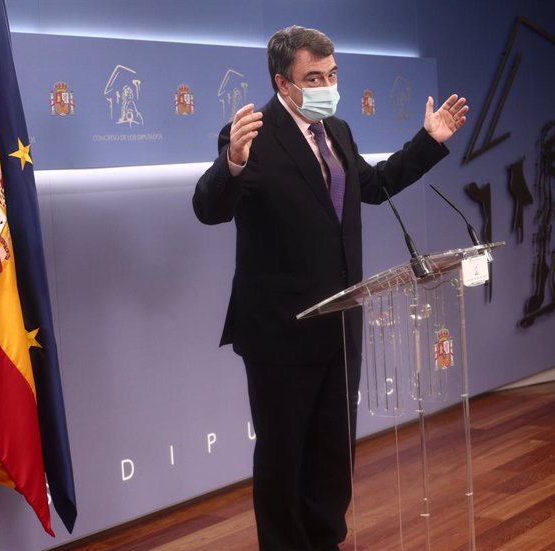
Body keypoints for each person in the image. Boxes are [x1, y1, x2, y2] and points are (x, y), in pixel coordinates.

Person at [192, 25, 468, 551]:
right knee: (283, 454)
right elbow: (208, 208)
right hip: (280, 331)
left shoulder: (335, 130)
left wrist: (429, 140)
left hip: (342, 321)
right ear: (283, 82)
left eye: (333, 74)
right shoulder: (252, 135)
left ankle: (325, 540)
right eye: (313, 77)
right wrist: (231, 163)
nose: (327, 85)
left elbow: (375, 186)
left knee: (331, 450)